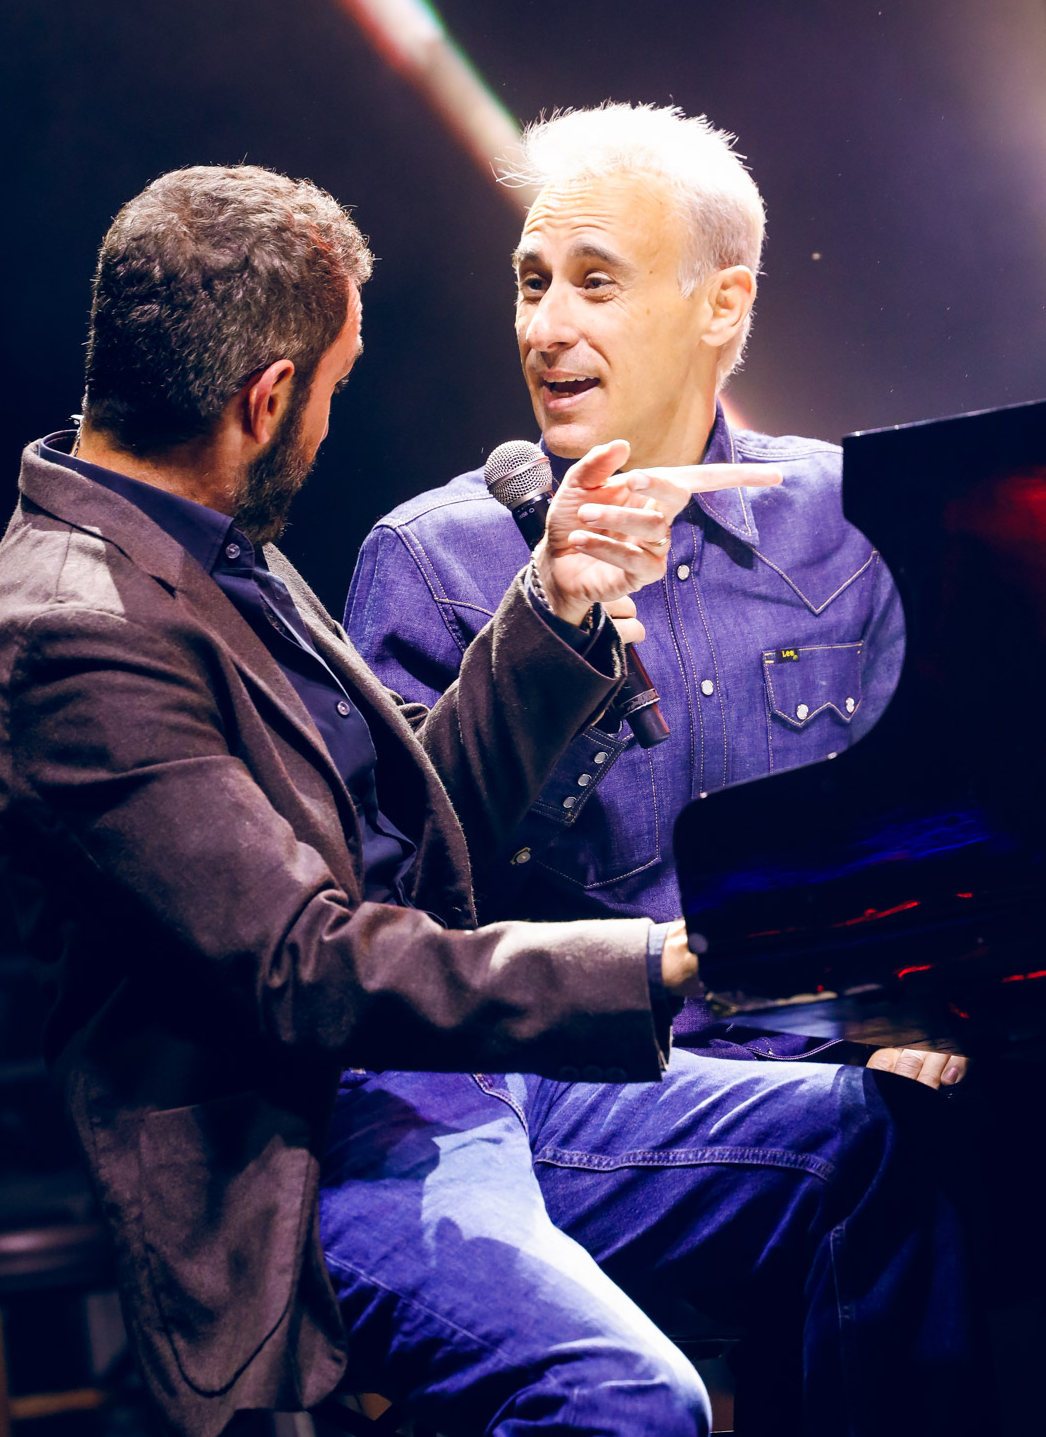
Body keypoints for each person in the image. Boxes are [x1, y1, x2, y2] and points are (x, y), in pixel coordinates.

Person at [0, 163, 974, 1437]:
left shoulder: (193, 545)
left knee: (877, 1144)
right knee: (620, 1412)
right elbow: (310, 969)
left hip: (462, 1087)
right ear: (266, 396)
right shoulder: (77, 631)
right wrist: (663, 961)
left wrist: (552, 616)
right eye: (330, 389)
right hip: (313, 1145)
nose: (330, 421)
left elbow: (399, 848)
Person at [348, 103, 923, 1073]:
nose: (545, 328)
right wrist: (543, 627)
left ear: (722, 304)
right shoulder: (428, 558)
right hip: (584, 1083)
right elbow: (393, 902)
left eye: (594, 283)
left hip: (836, 1053)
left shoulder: (849, 518)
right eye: (531, 284)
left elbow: (936, 820)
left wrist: (929, 1008)